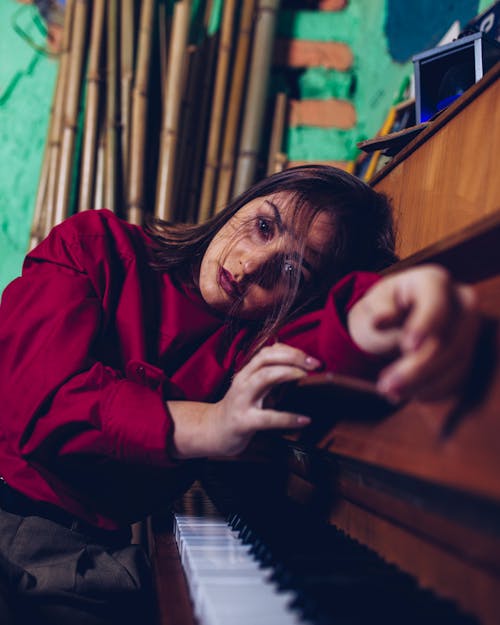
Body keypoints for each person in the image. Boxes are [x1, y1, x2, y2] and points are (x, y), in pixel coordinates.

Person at [0, 165, 480, 624]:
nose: (250, 265)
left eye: (293, 271)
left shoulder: (250, 345)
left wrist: (378, 308)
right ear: (243, 204)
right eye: (264, 226)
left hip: (89, 556)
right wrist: (208, 425)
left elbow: (324, 337)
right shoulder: (95, 245)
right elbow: (38, 400)